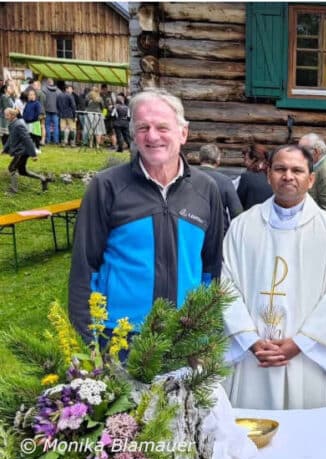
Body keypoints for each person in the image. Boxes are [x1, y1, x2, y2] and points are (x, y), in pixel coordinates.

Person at [68, 89, 225, 343]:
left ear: (183, 133)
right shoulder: (107, 187)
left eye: (162, 127)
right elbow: (84, 267)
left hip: (184, 337)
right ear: (133, 134)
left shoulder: (205, 189)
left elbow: (212, 268)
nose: (152, 136)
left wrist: (205, 333)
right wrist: (90, 341)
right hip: (119, 337)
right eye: (143, 128)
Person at [222, 144, 326, 409]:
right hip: (253, 355)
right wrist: (251, 341)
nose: (288, 176)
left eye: (297, 170)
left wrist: (299, 343)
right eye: (280, 169)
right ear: (268, 175)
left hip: (308, 357)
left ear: (311, 179)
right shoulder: (242, 226)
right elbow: (226, 287)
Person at [196, 143, 242, 230]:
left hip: (193, 229)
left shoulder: (188, 178)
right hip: (219, 230)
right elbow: (236, 212)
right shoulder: (225, 181)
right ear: (218, 160)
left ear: (200, 158)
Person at [2, 108, 49, 193]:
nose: (5, 117)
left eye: (7, 115)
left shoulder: (18, 125)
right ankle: (43, 179)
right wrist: (4, 149)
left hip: (22, 152)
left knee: (12, 168)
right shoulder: (13, 124)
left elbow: (27, 139)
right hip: (20, 151)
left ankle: (13, 190)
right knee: (22, 171)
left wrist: (33, 154)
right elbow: (10, 139)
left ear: (12, 115)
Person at [236, 143, 273, 210]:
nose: (244, 162)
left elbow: (238, 203)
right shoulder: (273, 175)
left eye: (245, 159)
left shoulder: (246, 177)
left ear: (253, 159)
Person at [42, 79, 62, 145]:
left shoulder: (44, 90)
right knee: (56, 126)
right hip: (56, 111)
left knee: (47, 126)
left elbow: (43, 100)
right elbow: (60, 101)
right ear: (53, 82)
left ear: (47, 83)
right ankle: (56, 141)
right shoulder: (59, 91)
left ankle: (48, 140)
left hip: (47, 110)